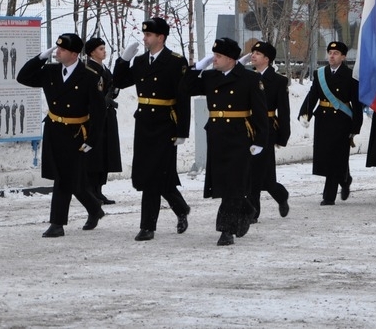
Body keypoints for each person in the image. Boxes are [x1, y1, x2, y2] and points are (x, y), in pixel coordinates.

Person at [181, 37, 269, 246]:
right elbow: (185, 88)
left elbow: (260, 112)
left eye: (218, 56)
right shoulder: (211, 76)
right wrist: (197, 68)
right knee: (222, 183)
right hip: (217, 135)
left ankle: (226, 230)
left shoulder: (249, 79)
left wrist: (260, 140)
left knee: (233, 184)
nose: (214, 60)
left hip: (239, 136)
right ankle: (247, 208)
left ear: (231, 59)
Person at [16, 33, 105, 237]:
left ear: (74, 54)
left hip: (75, 133)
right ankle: (94, 207)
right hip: (54, 130)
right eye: (57, 49)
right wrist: (39, 59)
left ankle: (57, 223)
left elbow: (99, 113)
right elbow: (23, 77)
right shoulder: (50, 71)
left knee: (63, 178)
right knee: (69, 177)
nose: (57, 52)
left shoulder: (89, 76)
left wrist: (92, 139)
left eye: (62, 50)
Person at [113, 17, 192, 241]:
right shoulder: (139, 62)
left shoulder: (176, 62)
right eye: (144, 34)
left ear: (161, 37)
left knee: (155, 177)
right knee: (152, 174)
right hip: (145, 123)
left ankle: (147, 227)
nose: (144, 38)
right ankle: (181, 208)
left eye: (148, 35)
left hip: (166, 124)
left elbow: (182, 97)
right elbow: (118, 81)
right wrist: (123, 60)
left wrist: (182, 130)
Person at [298, 41, 363, 205]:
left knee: (337, 156)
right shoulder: (320, 73)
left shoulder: (351, 76)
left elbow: (356, 103)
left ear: (343, 57)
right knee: (327, 156)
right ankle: (345, 179)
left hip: (342, 121)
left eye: (336, 53)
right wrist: (305, 113)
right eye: (330, 52)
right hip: (323, 120)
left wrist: (356, 126)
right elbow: (313, 96)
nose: (332, 56)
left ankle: (329, 196)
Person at [244, 41, 291, 221]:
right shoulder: (248, 77)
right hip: (250, 128)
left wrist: (283, 136)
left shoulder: (278, 80)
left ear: (267, 59)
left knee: (260, 172)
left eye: (257, 53)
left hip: (268, 129)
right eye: (252, 52)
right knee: (254, 172)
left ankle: (254, 211)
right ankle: (277, 196)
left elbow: (284, 111)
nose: (253, 56)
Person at [84, 37, 122, 205]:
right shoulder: (89, 69)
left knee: (106, 152)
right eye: (100, 49)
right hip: (95, 117)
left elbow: (112, 88)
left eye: (104, 48)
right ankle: (91, 190)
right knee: (96, 154)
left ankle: (99, 189)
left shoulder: (104, 68)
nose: (104, 51)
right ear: (92, 52)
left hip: (107, 115)